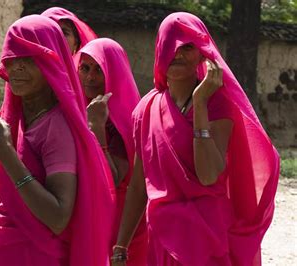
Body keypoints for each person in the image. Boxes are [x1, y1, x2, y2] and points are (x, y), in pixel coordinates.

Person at [113, 12, 279, 266]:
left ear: (202, 54)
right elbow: (138, 185)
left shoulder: (218, 104)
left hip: (205, 238)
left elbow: (208, 174)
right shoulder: (146, 109)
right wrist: (121, 245)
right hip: (162, 237)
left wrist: (200, 104)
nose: (177, 54)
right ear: (159, 48)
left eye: (187, 47)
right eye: (171, 44)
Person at [0, 15, 115, 266]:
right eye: (12, 59)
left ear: (50, 63)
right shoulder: (12, 122)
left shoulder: (56, 127)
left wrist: (5, 153)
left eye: (28, 59)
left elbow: (58, 217)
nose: (17, 68)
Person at [77, 38, 148, 265]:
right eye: (85, 68)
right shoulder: (75, 108)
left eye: (99, 70)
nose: (90, 77)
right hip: (85, 218)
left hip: (118, 227)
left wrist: (97, 128)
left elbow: (114, 178)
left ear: (114, 73)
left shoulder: (124, 118)